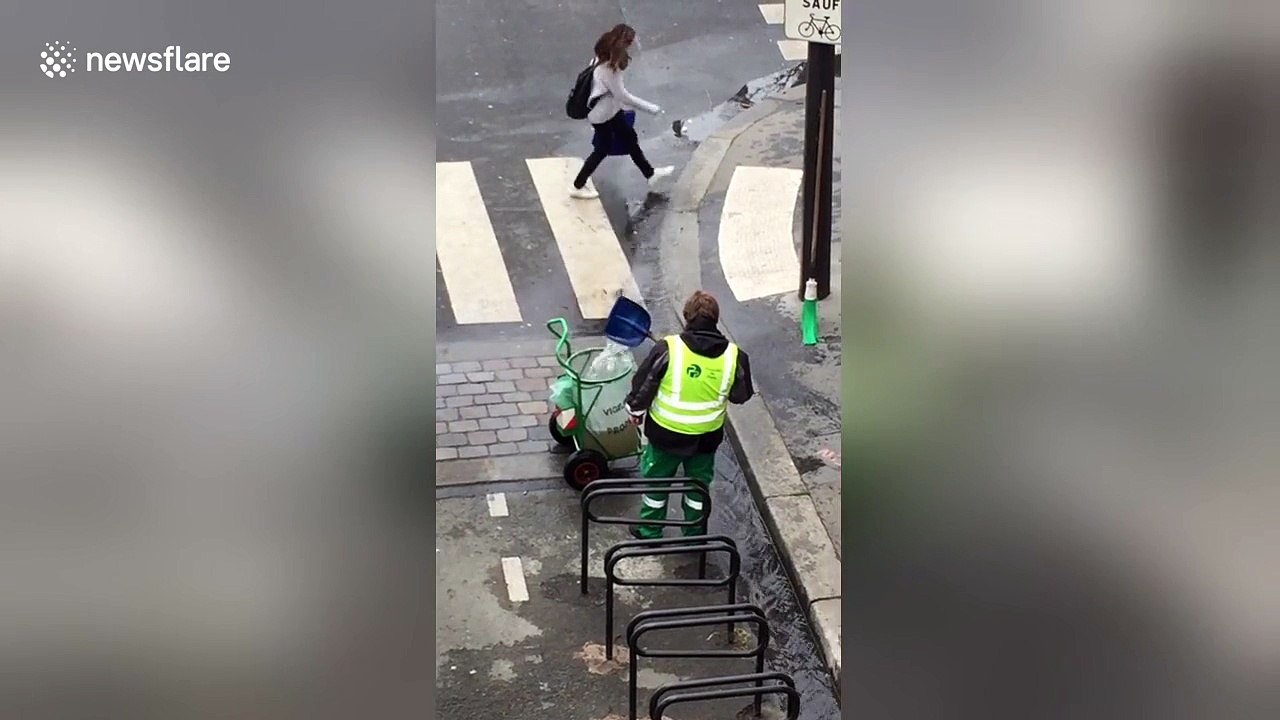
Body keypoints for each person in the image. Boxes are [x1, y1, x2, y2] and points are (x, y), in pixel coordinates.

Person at [624, 291, 753, 539]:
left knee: (657, 484)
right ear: (715, 319)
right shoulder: (734, 356)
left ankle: (650, 530)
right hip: (705, 439)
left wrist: (635, 411)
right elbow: (741, 395)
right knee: (697, 489)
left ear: (687, 317)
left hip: (665, 436)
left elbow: (644, 385)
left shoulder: (669, 348)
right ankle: (694, 535)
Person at [570, 23, 674, 200]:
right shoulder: (609, 70)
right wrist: (651, 108)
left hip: (610, 112)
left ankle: (650, 174)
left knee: (630, 139)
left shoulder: (599, 59)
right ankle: (577, 185)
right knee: (602, 149)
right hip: (603, 116)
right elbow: (622, 96)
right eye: (630, 43)